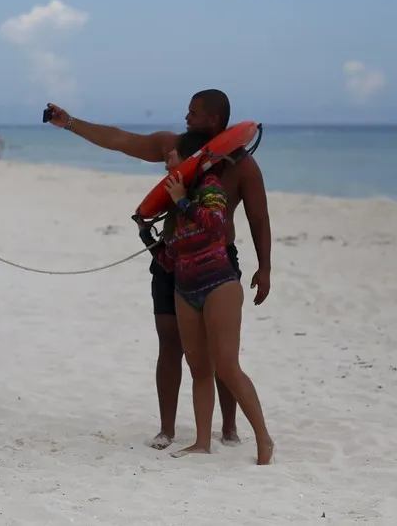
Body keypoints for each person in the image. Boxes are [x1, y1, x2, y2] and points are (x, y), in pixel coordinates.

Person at [45, 89, 272, 450]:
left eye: (193, 112)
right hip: (171, 258)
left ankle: (229, 426)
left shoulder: (241, 165)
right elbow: (122, 140)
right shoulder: (175, 147)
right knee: (170, 342)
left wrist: (265, 267)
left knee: (221, 353)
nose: (186, 117)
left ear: (214, 120)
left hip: (217, 259)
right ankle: (167, 428)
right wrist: (70, 123)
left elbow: (258, 217)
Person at [138, 131, 273, 465]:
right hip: (185, 287)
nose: (166, 161)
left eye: (171, 157)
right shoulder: (174, 199)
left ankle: (263, 439)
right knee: (199, 368)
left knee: (226, 365)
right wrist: (147, 236)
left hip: (219, 283)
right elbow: (170, 259)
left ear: (187, 160)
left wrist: (184, 201)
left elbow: (216, 225)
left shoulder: (210, 186)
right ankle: (201, 442)